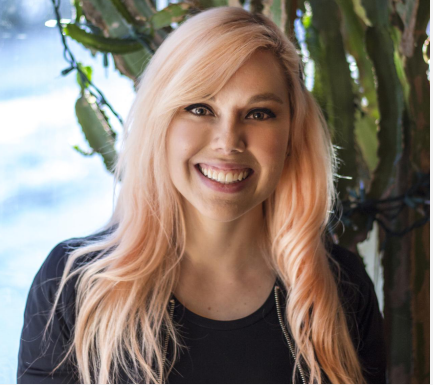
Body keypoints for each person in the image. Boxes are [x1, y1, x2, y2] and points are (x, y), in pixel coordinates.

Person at [17, 6, 387, 384]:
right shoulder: (73, 288)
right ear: (160, 122)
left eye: (259, 113)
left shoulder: (341, 289)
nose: (228, 142)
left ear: (291, 135)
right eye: (200, 108)